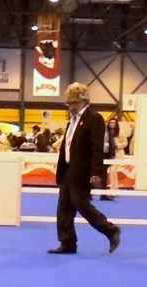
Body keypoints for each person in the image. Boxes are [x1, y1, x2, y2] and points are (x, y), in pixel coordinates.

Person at [48, 82, 120, 255]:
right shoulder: (72, 121)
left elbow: (97, 148)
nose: (70, 106)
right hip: (67, 170)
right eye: (68, 103)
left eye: (73, 103)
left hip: (82, 172)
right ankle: (67, 242)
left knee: (83, 206)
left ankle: (111, 230)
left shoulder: (94, 118)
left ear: (83, 100)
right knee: (63, 208)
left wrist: (97, 173)